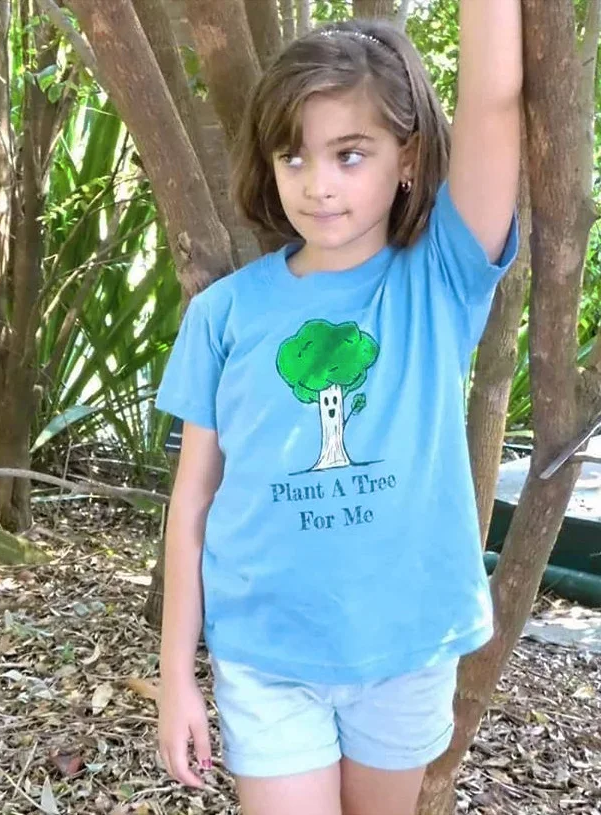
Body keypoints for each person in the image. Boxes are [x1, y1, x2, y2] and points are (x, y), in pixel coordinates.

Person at [155, 3, 522, 813]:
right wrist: (176, 674)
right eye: (294, 155)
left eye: (349, 154)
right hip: (266, 655)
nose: (317, 183)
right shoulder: (223, 314)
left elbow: (496, 102)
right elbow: (192, 504)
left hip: (406, 646)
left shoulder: (441, 280)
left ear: (407, 157)